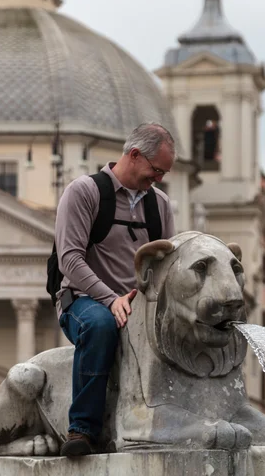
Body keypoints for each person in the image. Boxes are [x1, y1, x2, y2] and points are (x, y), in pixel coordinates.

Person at [54, 123, 176, 456]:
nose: (159, 179)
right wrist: (111, 300)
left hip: (137, 303)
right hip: (83, 301)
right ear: (134, 155)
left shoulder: (160, 204)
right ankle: (82, 430)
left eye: (164, 172)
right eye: (156, 170)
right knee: (100, 325)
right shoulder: (83, 192)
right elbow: (70, 260)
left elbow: (165, 264)